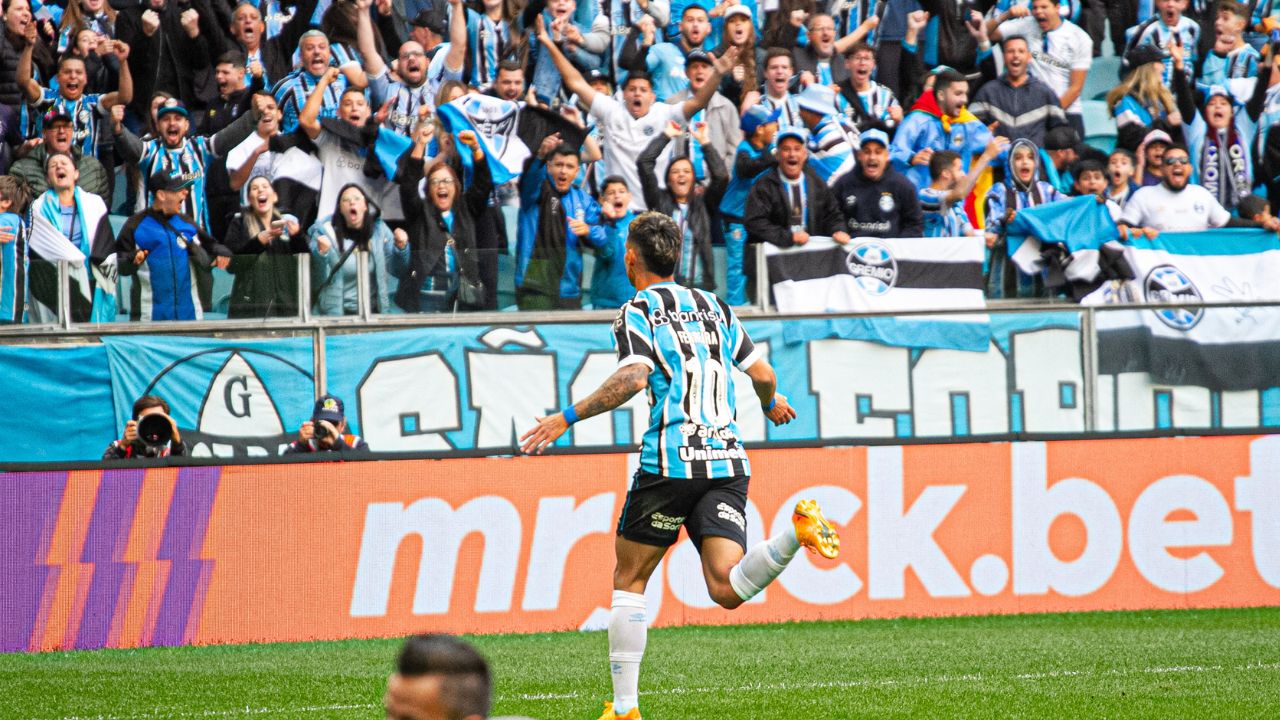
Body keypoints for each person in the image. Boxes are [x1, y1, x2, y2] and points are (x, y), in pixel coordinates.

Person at [519, 211, 841, 720]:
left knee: (629, 579)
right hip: (727, 460)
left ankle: (625, 709)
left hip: (671, 461)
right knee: (726, 587)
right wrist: (768, 402)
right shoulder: (716, 307)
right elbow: (762, 372)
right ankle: (794, 534)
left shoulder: (636, 309)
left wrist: (565, 417)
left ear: (630, 257)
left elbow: (631, 379)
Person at [537, 14, 737, 211]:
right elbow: (576, 82)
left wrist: (717, 74)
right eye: (632, 89)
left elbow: (698, 102)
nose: (637, 94)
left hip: (655, 209)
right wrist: (549, 43)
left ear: (652, 95)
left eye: (643, 90)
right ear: (623, 94)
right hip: (617, 210)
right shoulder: (611, 110)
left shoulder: (664, 113)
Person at [395, 125, 488, 313]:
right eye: (435, 182)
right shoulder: (420, 211)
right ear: (428, 189)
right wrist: (421, 144)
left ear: (457, 186)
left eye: (446, 181)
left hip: (461, 297)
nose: (441, 186)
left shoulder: (466, 209)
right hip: (425, 297)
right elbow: (408, 185)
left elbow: (483, 184)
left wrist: (476, 149)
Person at [116, 171, 230, 321]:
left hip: (190, 318)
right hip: (149, 320)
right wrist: (133, 259)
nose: (185, 193)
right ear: (161, 195)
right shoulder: (134, 225)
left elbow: (212, 245)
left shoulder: (186, 222)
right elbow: (118, 264)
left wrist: (222, 253)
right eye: (178, 190)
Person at [26, 151, 117, 323]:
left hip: (90, 281)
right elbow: (37, 247)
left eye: (64, 163)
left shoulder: (95, 204)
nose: (59, 166)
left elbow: (105, 244)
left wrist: (81, 262)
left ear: (76, 173)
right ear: (48, 178)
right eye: (53, 165)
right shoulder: (37, 208)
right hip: (54, 284)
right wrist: (70, 257)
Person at [516, 140, 606, 310]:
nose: (563, 171)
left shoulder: (583, 200)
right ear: (549, 167)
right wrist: (541, 155)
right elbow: (530, 179)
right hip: (534, 284)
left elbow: (602, 238)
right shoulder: (534, 193)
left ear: (577, 171)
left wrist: (589, 230)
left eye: (569, 166)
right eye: (558, 165)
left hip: (568, 287)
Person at [637, 121, 726, 290]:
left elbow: (721, 176)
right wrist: (666, 136)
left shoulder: (704, 205)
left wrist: (705, 142)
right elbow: (644, 163)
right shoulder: (658, 202)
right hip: (665, 286)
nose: (681, 175)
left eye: (686, 171)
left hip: (699, 287)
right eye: (675, 171)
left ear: (693, 179)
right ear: (668, 180)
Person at [1117, 143, 1280, 236]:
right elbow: (1122, 229)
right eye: (1171, 161)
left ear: (1190, 168)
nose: (1177, 164)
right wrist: (1140, 232)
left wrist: (1262, 226)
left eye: (1183, 161)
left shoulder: (1201, 194)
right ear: (1162, 168)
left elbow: (1228, 222)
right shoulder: (1143, 195)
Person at [989, 0, 1092, 137]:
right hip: (1032, 112)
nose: (1038, 11)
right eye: (1035, 8)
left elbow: (1075, 88)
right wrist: (1006, 15)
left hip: (1067, 112)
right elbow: (988, 34)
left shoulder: (1080, 38)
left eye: (1044, 7)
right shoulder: (1027, 25)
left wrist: (1049, 114)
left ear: (1057, 8)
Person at [308, 183, 406, 315]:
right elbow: (316, 280)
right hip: (336, 315)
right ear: (340, 209)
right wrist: (321, 254)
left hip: (374, 313)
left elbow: (398, 270)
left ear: (365, 206)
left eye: (357, 199)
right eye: (346, 200)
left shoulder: (379, 230)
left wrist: (401, 248)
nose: (352, 202)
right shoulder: (324, 233)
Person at [745, 128, 851, 249]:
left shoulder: (817, 183)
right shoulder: (764, 185)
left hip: (807, 258)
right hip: (775, 260)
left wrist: (838, 230)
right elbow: (754, 222)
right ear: (777, 155)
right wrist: (788, 237)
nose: (792, 154)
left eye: (797, 149)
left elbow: (832, 214)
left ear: (805, 154)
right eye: (786, 149)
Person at [982, 138, 1063, 297]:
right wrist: (1005, 221)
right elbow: (991, 228)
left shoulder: (1047, 190)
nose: (1025, 162)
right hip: (1007, 272)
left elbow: (1068, 209)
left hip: (1043, 274)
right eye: (1018, 158)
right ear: (1010, 163)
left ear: (1036, 163)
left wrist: (1091, 201)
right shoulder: (999, 191)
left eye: (1030, 157)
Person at [891, 68, 993, 192]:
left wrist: (1018, 149)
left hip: (953, 203)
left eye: (965, 93)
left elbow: (1000, 152)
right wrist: (911, 158)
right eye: (958, 93)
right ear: (941, 95)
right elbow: (893, 152)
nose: (965, 100)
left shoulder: (968, 124)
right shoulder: (917, 120)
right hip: (918, 201)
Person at [224, 175, 306, 318]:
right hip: (250, 308)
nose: (260, 190)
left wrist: (297, 237)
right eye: (255, 188)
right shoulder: (239, 223)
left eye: (265, 186)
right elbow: (231, 265)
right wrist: (257, 242)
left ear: (274, 196)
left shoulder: (287, 223)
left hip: (285, 307)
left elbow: (305, 262)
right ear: (249, 199)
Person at [720, 105, 778, 305]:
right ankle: (735, 306)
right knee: (737, 264)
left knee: (754, 262)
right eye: (772, 123)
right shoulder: (745, 149)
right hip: (735, 217)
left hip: (756, 217)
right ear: (760, 129)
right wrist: (771, 158)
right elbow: (746, 169)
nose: (776, 126)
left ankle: (759, 301)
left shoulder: (769, 149)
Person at [969, 35, 1069, 148]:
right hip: (998, 162)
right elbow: (970, 128)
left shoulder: (1044, 92)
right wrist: (985, 136)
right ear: (1004, 57)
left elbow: (1060, 129)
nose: (1015, 55)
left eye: (1021, 51)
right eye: (1010, 51)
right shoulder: (987, 92)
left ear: (1029, 57)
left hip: (1034, 162)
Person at [832, 128, 924, 239]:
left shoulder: (903, 186)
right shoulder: (843, 184)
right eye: (867, 152)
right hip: (852, 253)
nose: (872, 157)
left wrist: (896, 247)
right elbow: (832, 217)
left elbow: (915, 224)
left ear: (887, 156)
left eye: (878, 152)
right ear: (859, 156)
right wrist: (839, 230)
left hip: (891, 254)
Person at [10, 107, 109, 203]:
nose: (62, 131)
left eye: (66, 126)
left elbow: (103, 212)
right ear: (44, 133)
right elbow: (16, 213)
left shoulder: (94, 167)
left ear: (72, 130)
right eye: (55, 127)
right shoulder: (21, 170)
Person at [921, 138, 1005, 238]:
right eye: (959, 169)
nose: (963, 175)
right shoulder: (925, 196)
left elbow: (969, 234)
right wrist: (986, 156)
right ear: (946, 174)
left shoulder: (956, 205)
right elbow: (960, 193)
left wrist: (992, 235)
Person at [1108, 44, 1182, 153]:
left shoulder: (1163, 97)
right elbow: (1133, 139)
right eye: (1160, 62)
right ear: (1148, 68)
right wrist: (1166, 123)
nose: (1164, 66)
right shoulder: (1125, 101)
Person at [591, 175, 637, 309]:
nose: (617, 196)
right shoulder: (596, 225)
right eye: (611, 193)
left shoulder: (640, 224)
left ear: (629, 196)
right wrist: (610, 222)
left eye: (622, 192)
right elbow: (607, 254)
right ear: (602, 199)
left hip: (634, 300)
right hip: (604, 302)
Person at [836, 41, 902, 133]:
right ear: (847, 63)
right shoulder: (837, 94)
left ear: (873, 65)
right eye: (857, 58)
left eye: (867, 58)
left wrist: (898, 120)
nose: (862, 62)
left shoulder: (886, 96)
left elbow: (893, 129)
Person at [102, 395, 188, 459]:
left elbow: (182, 475)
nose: (152, 426)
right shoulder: (116, 446)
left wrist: (177, 444)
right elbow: (104, 476)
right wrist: (122, 447)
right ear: (135, 422)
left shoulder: (169, 450)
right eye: (147, 420)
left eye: (157, 420)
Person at [283, 393, 370, 454]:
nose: (327, 428)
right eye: (322, 422)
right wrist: (301, 446)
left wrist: (338, 445)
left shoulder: (355, 443)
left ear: (343, 426)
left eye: (333, 423)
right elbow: (281, 472)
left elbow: (370, 469)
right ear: (312, 422)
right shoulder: (299, 446)